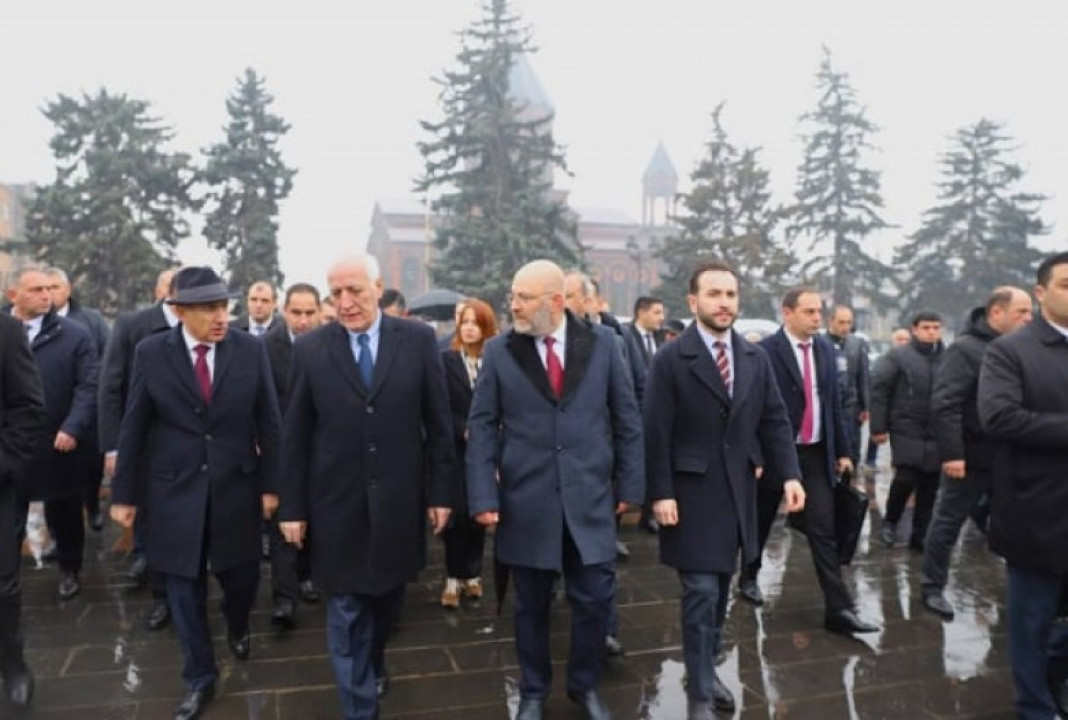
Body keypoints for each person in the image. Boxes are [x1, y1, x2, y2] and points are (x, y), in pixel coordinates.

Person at [278, 254, 454, 720]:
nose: (345, 302)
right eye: (335, 293)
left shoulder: (418, 341)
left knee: (386, 604)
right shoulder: (311, 349)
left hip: (398, 503)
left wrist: (440, 493)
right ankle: (360, 708)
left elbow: (438, 425)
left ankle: (373, 663)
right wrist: (292, 507)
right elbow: (294, 436)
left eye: (354, 290)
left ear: (378, 287)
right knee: (347, 611)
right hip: (335, 506)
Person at [467, 260, 644, 720]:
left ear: (557, 302)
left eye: (524, 298)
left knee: (595, 600)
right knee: (530, 606)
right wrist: (483, 496)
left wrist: (631, 486)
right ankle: (533, 690)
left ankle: (585, 686)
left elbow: (626, 419)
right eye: (514, 296)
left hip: (590, 498)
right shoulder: (500, 351)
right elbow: (482, 426)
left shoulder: (604, 344)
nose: (514, 305)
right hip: (526, 502)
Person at [110, 266, 282, 720]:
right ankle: (199, 677)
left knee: (241, 578)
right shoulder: (151, 353)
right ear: (181, 311)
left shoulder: (250, 350)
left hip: (237, 487)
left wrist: (272, 485)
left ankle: (238, 624)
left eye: (224, 306)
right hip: (173, 490)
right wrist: (124, 494)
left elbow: (269, 421)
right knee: (183, 590)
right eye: (208, 308)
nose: (220, 316)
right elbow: (134, 424)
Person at [644, 261, 804, 720]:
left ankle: (705, 665)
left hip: (738, 492)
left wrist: (790, 474)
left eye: (731, 294)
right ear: (693, 301)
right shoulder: (671, 359)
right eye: (714, 294)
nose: (724, 303)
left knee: (719, 588)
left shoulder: (754, 357)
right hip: (690, 494)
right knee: (699, 590)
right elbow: (656, 431)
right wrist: (660, 493)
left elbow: (774, 419)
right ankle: (699, 688)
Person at [742, 287, 878, 635]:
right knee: (761, 519)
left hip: (815, 454)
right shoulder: (764, 352)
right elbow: (750, 409)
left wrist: (843, 451)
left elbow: (832, 403)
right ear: (787, 312)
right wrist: (755, 455)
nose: (817, 318)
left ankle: (838, 609)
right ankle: (748, 575)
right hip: (775, 453)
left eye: (820, 311)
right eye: (809, 312)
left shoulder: (824, 349)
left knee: (824, 528)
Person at [978, 252, 1068, 720]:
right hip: (1037, 510)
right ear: (1041, 292)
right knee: (1031, 620)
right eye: (1067, 285)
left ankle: (1053, 670)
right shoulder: (1010, 351)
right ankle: (1034, 706)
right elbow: (999, 417)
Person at [922, 287, 1033, 620]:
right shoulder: (966, 350)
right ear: (996, 312)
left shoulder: (1020, 347)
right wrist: (952, 454)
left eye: (1031, 312)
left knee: (1012, 522)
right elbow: (946, 403)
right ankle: (932, 587)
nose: (1029, 318)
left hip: (1008, 455)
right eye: (1022, 312)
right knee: (947, 522)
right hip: (969, 457)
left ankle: (1019, 585)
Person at [7, 267, 98, 602]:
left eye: (49, 288)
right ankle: (8, 577)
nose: (46, 295)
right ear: (13, 295)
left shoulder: (74, 335)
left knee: (64, 511)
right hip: (10, 443)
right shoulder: (4, 331)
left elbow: (88, 385)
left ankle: (69, 569)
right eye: (36, 290)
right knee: (9, 514)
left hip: (59, 441)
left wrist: (73, 426)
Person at [98, 267, 179, 630]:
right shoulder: (132, 326)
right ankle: (162, 597)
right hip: (146, 444)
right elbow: (110, 386)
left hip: (192, 445)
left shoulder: (208, 325)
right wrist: (113, 447)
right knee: (153, 521)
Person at [263, 283, 324, 630]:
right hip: (280, 448)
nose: (303, 320)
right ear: (284, 311)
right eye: (296, 312)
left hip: (321, 447)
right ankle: (284, 599)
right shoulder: (265, 347)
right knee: (281, 522)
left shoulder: (327, 344)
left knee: (314, 515)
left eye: (309, 313)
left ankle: (308, 576)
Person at [0, 311, 47, 710]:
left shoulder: (6, 332)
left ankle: (12, 664)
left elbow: (28, 409)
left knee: (2, 584)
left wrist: (4, 464)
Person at [439, 298, 497, 608]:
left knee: (479, 514)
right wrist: (462, 428)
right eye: (465, 322)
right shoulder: (447, 360)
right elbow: (440, 406)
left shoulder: (496, 360)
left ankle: (473, 574)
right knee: (456, 516)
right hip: (456, 451)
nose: (470, 328)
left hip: (487, 451)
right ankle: (453, 576)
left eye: (476, 322)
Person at [870, 311, 945, 551]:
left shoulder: (946, 357)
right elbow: (880, 391)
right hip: (906, 426)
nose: (931, 332)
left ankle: (920, 535)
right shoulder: (898, 357)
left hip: (936, 429)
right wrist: (878, 427)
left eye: (936, 327)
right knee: (906, 476)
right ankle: (891, 521)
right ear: (915, 329)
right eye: (926, 327)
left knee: (930, 483)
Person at [44, 267, 110, 531]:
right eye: (44, 288)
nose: (49, 294)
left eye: (55, 288)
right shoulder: (33, 321)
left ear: (68, 289)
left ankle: (92, 507)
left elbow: (107, 357)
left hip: (88, 405)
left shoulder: (91, 321)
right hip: (51, 407)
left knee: (90, 465)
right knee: (52, 473)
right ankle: (56, 530)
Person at [825, 305, 870, 468]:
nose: (845, 327)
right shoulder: (820, 343)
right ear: (831, 321)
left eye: (849, 323)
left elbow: (863, 376)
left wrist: (865, 406)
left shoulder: (857, 344)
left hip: (851, 405)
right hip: (828, 405)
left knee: (851, 449)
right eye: (841, 322)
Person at [624, 295, 666, 367]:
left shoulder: (664, 337)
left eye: (662, 313)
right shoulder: (625, 337)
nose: (662, 318)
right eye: (657, 313)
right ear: (642, 313)